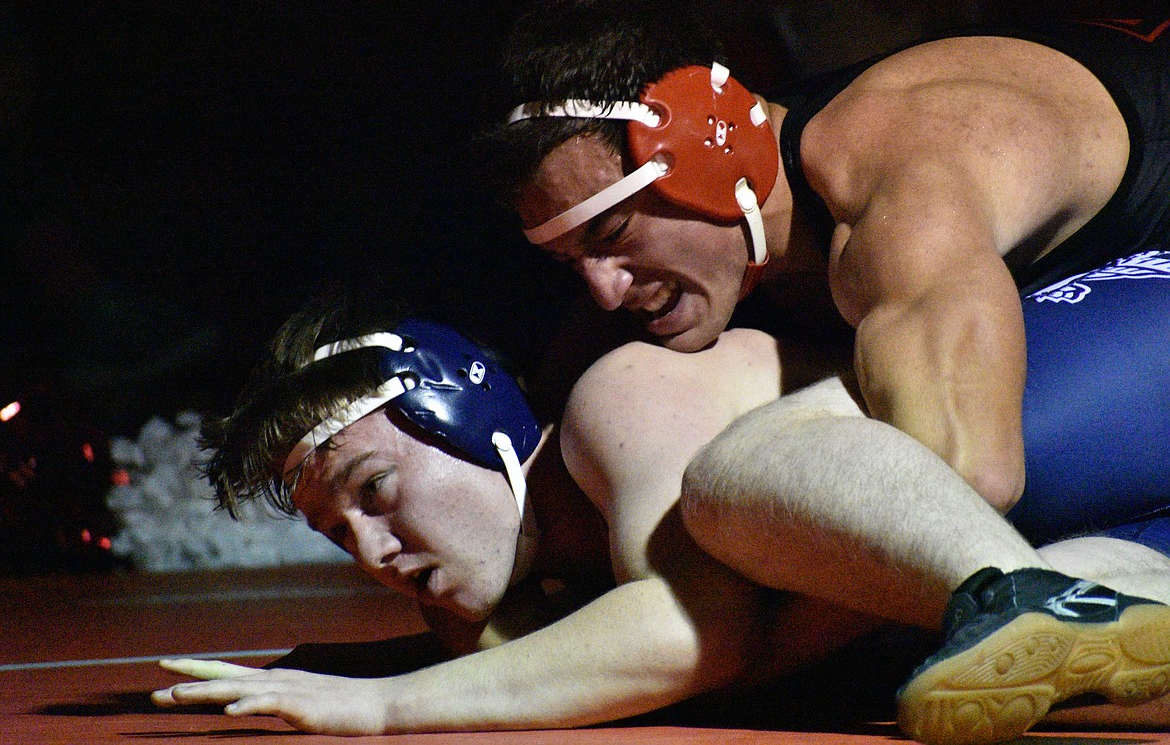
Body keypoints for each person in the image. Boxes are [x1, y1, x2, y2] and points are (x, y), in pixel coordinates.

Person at [474, 0, 1170, 741]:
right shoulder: (698, 232)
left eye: (609, 232)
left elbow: (969, 481)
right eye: (568, 259)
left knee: (779, 484)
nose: (604, 291)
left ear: (706, 155)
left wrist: (739, 663)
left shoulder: (900, 181)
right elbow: (532, 517)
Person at [152, 297, 1170, 743]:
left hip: (1102, 376)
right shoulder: (511, 594)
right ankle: (1040, 595)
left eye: (375, 492)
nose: (377, 553)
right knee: (977, 656)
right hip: (1104, 523)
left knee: (734, 488)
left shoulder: (619, 401)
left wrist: (390, 707)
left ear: (471, 417)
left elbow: (701, 634)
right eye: (340, 537)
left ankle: (1022, 594)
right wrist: (350, 669)